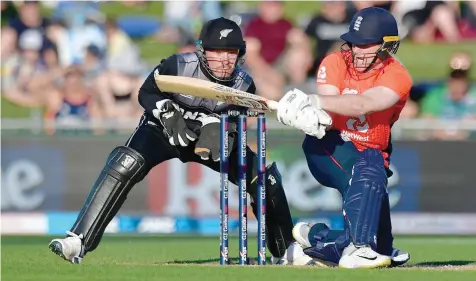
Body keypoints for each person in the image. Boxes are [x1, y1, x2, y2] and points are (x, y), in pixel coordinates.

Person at [48, 17, 313, 266]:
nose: (224, 60)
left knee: (264, 179)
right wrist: (164, 108)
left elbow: (240, 119)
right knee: (125, 163)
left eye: (231, 53)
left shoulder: (244, 84)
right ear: (202, 50)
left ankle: (286, 249)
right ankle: (78, 240)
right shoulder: (178, 66)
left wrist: (224, 128)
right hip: (164, 129)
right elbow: (146, 92)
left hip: (211, 138)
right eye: (216, 51)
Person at [275, 7, 412, 269]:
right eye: (355, 43)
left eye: (366, 44)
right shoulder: (334, 62)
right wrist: (309, 113)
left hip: (371, 155)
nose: (358, 51)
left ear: (387, 46)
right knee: (370, 161)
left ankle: (314, 239)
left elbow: (366, 103)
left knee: (381, 248)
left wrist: (313, 100)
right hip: (328, 147)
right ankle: (356, 251)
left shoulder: (397, 75)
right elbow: (328, 107)